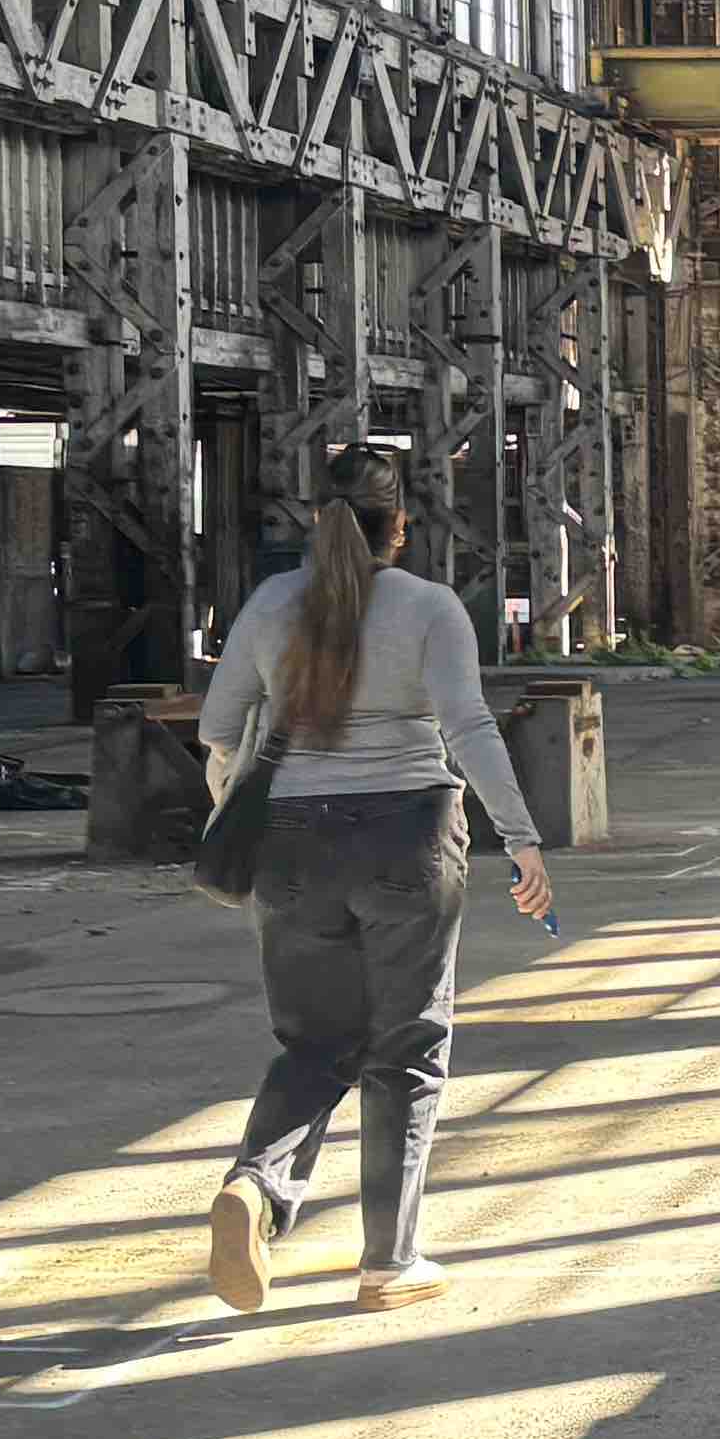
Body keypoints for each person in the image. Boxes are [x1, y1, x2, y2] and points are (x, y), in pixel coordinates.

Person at [195, 448, 556, 1316]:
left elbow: (217, 724)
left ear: (320, 518)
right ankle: (388, 1264)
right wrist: (523, 838)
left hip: (287, 843)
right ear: (404, 526)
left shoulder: (272, 603)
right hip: (409, 839)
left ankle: (257, 1185)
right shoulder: (431, 609)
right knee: (408, 1046)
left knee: (315, 1043)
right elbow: (469, 728)